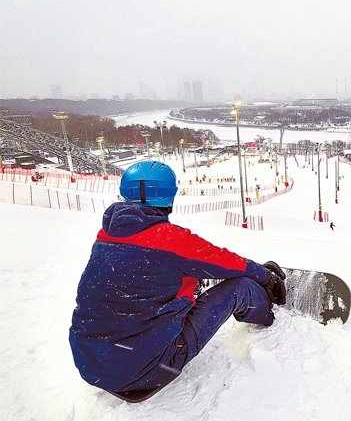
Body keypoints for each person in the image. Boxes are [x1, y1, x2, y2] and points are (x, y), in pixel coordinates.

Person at [69, 161, 286, 396]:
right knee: (240, 286)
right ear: (169, 197)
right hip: (148, 370)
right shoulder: (172, 240)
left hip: (91, 365)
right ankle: (270, 315)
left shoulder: (106, 235)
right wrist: (265, 277)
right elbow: (229, 263)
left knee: (170, 280)